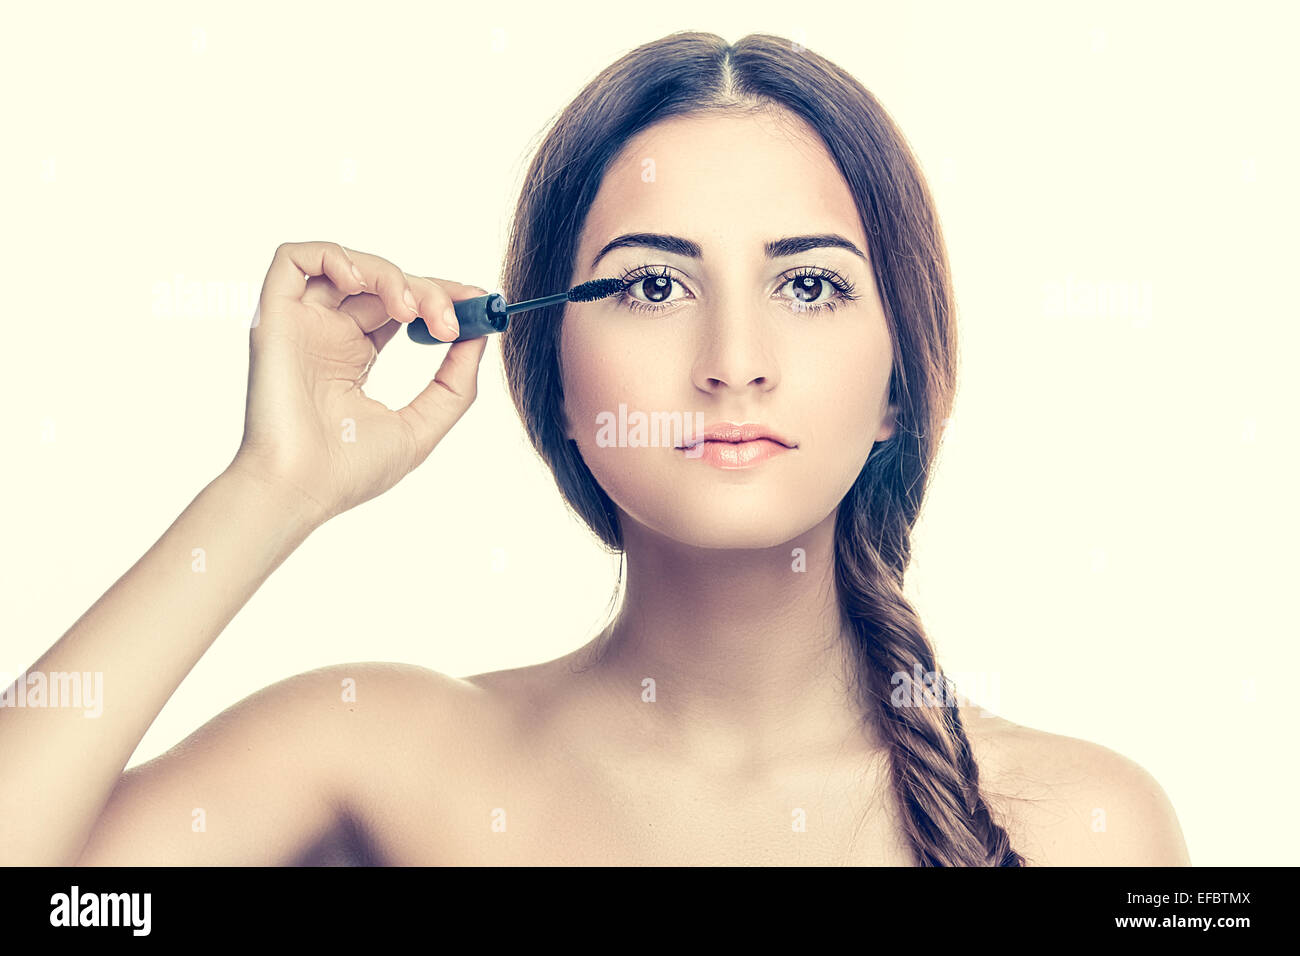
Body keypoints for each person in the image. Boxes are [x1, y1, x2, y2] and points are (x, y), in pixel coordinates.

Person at [1, 31, 1189, 866]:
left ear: (896, 383)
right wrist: (269, 488)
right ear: (550, 372)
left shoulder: (1085, 825)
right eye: (655, 283)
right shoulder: (376, 750)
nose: (734, 357)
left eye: (811, 284)